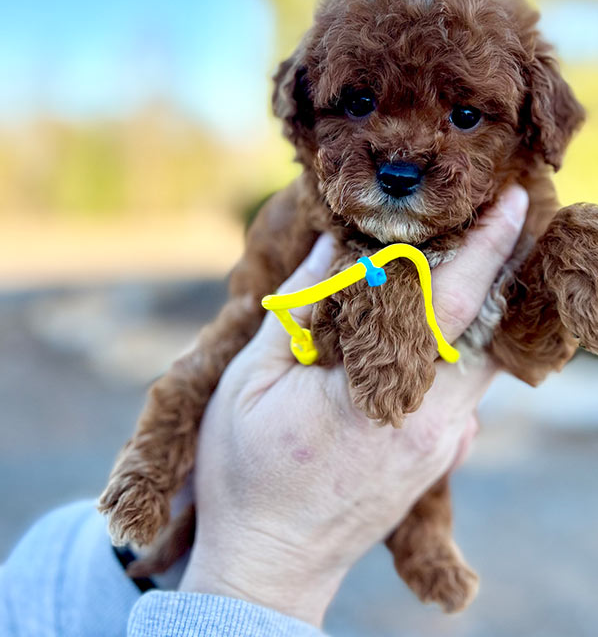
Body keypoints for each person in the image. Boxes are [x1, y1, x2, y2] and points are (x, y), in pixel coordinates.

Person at [0, 185, 529, 637]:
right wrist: (264, 564)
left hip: (76, 558)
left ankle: (424, 544)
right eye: (359, 105)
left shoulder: (46, 561)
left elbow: (37, 596)